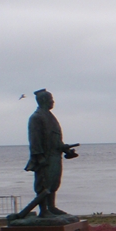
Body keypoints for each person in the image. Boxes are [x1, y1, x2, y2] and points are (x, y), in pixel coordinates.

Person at [24, 89, 78, 217]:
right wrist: (39, 157)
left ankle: (52, 207)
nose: (53, 102)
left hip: (55, 156)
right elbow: (34, 140)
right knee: (43, 184)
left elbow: (55, 138)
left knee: (53, 183)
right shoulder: (37, 117)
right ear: (43, 100)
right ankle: (44, 211)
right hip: (45, 157)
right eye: (50, 99)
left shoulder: (50, 116)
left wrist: (64, 148)